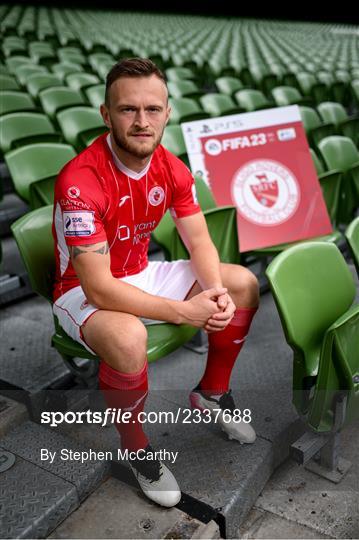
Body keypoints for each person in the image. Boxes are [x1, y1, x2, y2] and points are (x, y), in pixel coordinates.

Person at [52, 58, 259, 508]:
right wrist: (186, 311)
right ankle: (136, 448)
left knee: (241, 282)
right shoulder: (80, 181)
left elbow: (199, 240)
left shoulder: (171, 166)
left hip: (141, 272)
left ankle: (212, 392)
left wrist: (214, 293)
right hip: (80, 289)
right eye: (128, 109)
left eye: (152, 109)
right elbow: (100, 291)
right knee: (129, 336)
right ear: (107, 115)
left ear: (168, 113)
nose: (141, 121)